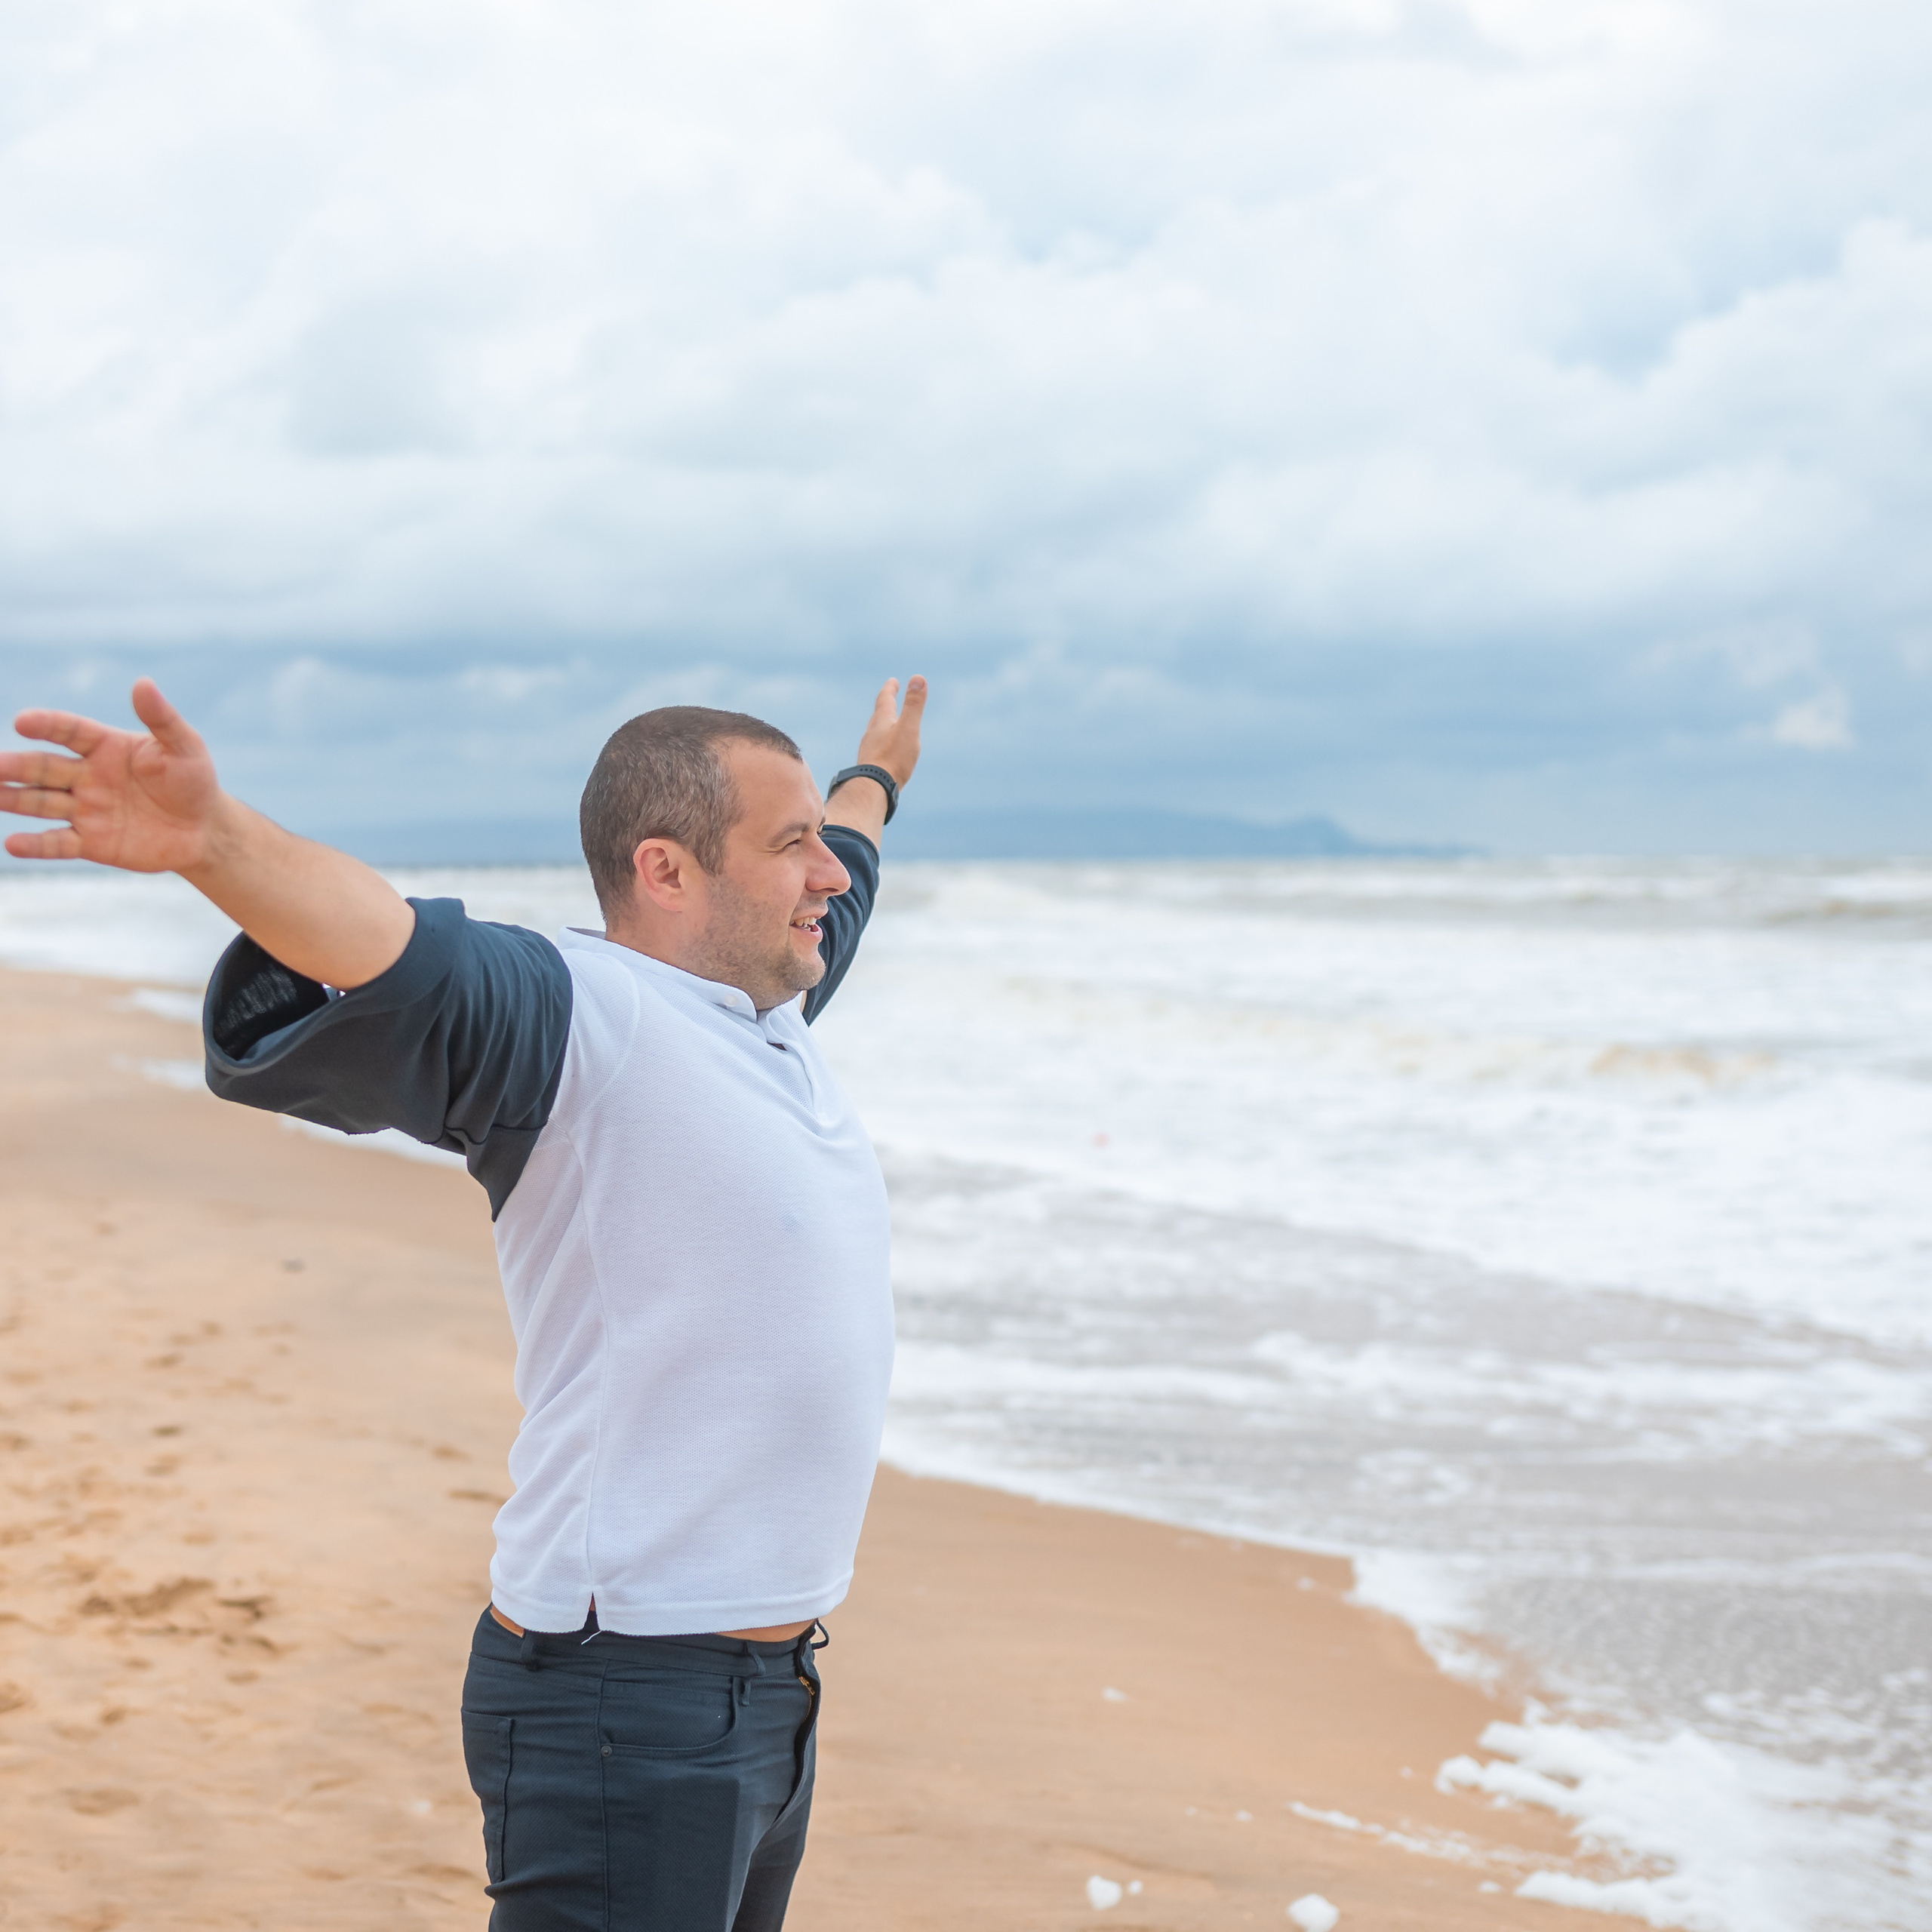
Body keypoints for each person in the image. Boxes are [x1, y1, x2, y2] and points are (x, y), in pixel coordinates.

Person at [0, 672, 928, 1930]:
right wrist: (214, 845)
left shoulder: (770, 1007)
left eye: (821, 840)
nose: (827, 872)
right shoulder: (575, 1016)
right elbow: (398, 952)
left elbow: (850, 877)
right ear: (665, 872)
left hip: (770, 1694)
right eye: (788, 844)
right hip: (627, 1698)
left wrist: (872, 780)